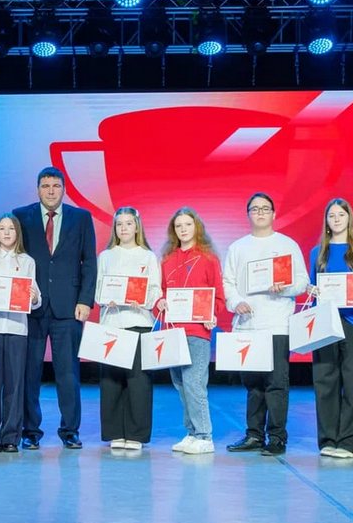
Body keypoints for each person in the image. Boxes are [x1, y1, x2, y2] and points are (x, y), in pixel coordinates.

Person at [13, 167, 97, 450]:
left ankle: (70, 430)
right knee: (29, 373)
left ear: (64, 189)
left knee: (68, 373)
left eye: (56, 186)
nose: (51, 191)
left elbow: (89, 262)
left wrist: (85, 300)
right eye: (45, 185)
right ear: (38, 189)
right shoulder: (21, 216)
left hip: (68, 308)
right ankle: (30, 431)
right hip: (31, 307)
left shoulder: (81, 217)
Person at [223, 192, 309, 456]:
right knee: (253, 385)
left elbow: (302, 282)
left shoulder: (287, 244)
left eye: (265, 208)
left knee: (276, 383)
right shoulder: (237, 247)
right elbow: (228, 283)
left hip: (276, 324)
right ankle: (254, 435)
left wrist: (284, 288)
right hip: (247, 325)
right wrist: (236, 302)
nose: (260, 213)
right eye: (255, 209)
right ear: (248, 214)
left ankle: (277, 437)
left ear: (273, 214)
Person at [308, 198, 353, 458]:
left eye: (341, 215)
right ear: (326, 221)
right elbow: (314, 288)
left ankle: (350, 444)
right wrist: (312, 290)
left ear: (349, 219)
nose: (336, 219)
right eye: (331, 215)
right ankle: (328, 440)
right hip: (325, 323)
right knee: (325, 381)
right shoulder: (317, 253)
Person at [158, 207, 228, 455]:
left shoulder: (209, 259)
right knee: (179, 384)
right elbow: (161, 293)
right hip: (172, 331)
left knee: (194, 383)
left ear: (196, 227)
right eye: (178, 226)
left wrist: (211, 314)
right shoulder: (167, 260)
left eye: (187, 224)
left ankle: (204, 436)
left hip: (197, 331)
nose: (183, 229)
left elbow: (218, 297)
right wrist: (160, 302)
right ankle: (191, 433)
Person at [95, 207, 161, 450]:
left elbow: (155, 289)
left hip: (140, 322)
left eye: (128, 223)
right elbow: (98, 290)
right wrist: (106, 299)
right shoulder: (106, 256)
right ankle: (115, 432)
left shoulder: (148, 256)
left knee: (138, 382)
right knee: (111, 381)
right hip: (112, 324)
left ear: (137, 227)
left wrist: (142, 300)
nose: (124, 228)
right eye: (119, 224)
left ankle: (136, 434)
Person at [0, 214, 41, 453]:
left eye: (11, 228)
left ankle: (12, 436)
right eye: (2, 228)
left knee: (15, 384)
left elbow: (36, 297)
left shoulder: (27, 261)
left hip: (16, 329)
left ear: (17, 233)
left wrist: (34, 298)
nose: (6, 232)